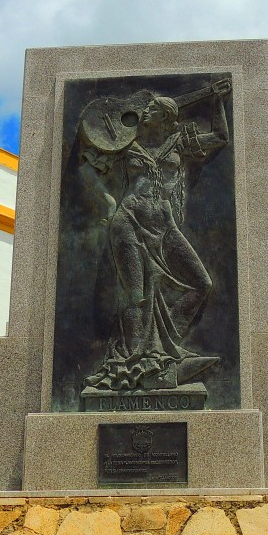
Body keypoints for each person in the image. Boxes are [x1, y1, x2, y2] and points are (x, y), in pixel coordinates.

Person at [81, 85, 229, 392]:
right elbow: (87, 168)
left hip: (164, 225)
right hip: (129, 222)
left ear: (165, 117)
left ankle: (160, 349)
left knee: (202, 283)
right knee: (135, 294)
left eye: (152, 109)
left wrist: (217, 100)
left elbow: (220, 138)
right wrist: (109, 202)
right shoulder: (124, 144)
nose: (144, 111)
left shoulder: (178, 142)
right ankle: (136, 362)